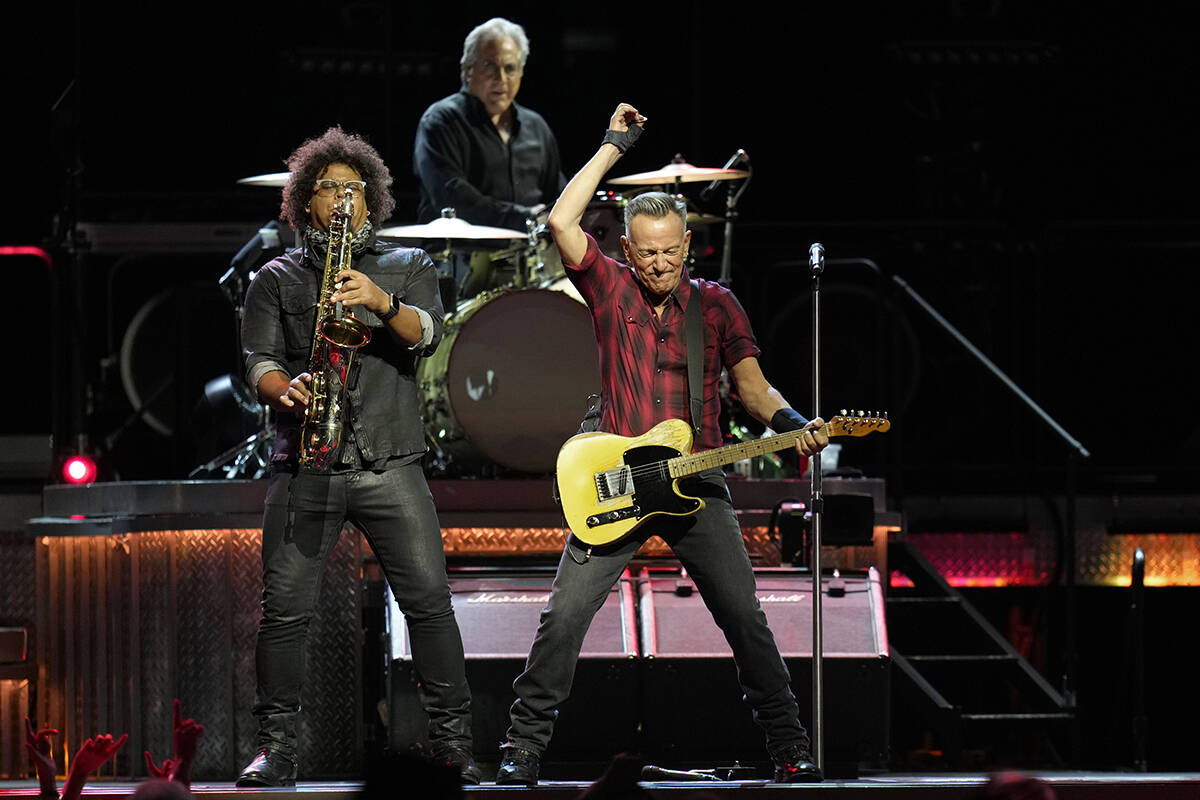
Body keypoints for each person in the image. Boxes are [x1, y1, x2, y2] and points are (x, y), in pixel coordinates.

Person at [495, 104, 829, 786]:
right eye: (646, 251)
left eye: (671, 251)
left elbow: (756, 392)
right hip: (617, 480)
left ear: (688, 244)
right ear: (626, 245)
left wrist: (796, 422)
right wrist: (613, 147)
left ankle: (790, 746)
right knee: (562, 621)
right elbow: (561, 222)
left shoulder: (717, 305)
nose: (659, 263)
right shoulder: (609, 285)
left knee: (746, 618)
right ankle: (522, 751)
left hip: (697, 486)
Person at [237, 126, 478, 786]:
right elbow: (256, 360)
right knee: (284, 614)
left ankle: (453, 743)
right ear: (302, 203)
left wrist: (379, 300)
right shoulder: (275, 277)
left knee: (429, 604)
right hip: (305, 463)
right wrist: (285, 388)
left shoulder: (407, 266)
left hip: (390, 462)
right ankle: (277, 748)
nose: (342, 198)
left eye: (353, 188)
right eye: (328, 188)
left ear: (371, 201)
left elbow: (427, 335)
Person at [413, 17, 566, 230]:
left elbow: (558, 196)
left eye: (510, 68)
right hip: (461, 257)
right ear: (467, 70)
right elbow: (452, 198)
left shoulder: (537, 127)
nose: (501, 78)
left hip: (531, 257)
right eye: (490, 66)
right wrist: (524, 218)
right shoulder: (441, 121)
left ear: (521, 72)